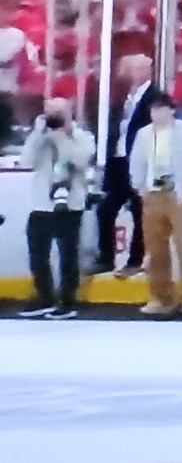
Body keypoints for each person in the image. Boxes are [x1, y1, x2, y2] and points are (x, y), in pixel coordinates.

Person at [129, 93, 182, 316]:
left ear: (172, 110)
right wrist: (141, 189)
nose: (157, 114)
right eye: (153, 110)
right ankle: (160, 297)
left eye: (161, 109)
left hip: (180, 194)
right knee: (155, 248)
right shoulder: (144, 134)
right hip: (153, 193)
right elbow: (136, 162)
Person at [19, 98, 95, 319]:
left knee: (67, 254)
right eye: (50, 112)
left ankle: (67, 300)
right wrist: (37, 135)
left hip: (70, 204)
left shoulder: (83, 137)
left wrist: (63, 137)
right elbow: (27, 160)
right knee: (37, 254)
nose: (54, 117)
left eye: (59, 112)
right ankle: (44, 296)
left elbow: (81, 161)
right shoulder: (40, 137)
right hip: (42, 203)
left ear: (70, 113)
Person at [92, 53, 158, 277]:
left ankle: (135, 260)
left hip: (139, 162)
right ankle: (106, 257)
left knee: (140, 211)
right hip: (119, 162)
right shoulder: (124, 98)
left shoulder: (154, 98)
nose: (130, 73)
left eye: (135, 68)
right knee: (106, 209)